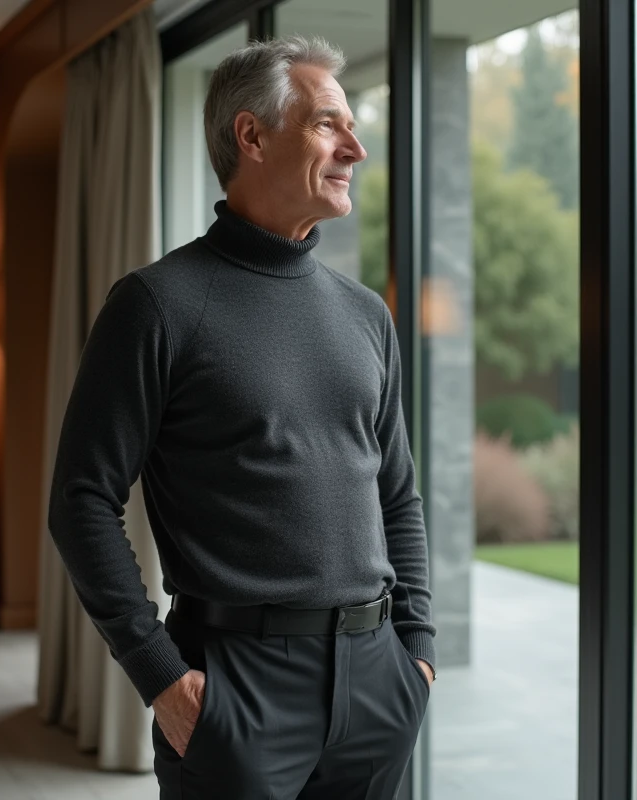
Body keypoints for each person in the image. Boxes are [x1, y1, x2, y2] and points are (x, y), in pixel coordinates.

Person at [47, 34, 435, 800]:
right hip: (234, 686)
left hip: (376, 679)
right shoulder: (156, 304)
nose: (355, 147)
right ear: (251, 135)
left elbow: (398, 494)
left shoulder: (366, 315)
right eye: (329, 123)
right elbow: (81, 501)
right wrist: (162, 678)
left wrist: (415, 651)